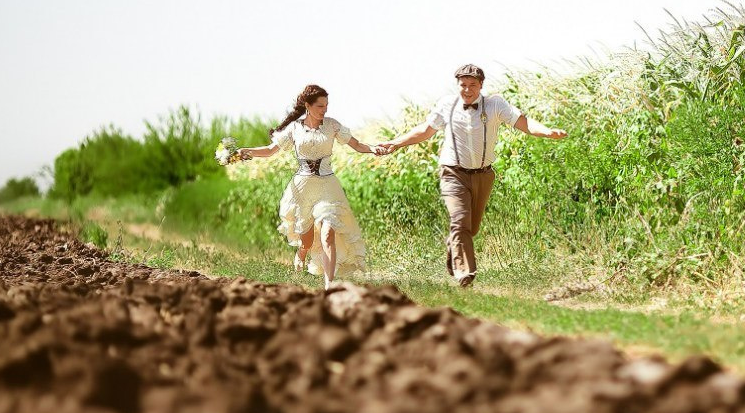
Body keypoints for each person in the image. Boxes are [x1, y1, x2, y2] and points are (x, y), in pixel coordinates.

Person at [375, 64, 567, 287]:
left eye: (472, 85)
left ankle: (453, 245)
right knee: (459, 221)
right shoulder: (447, 104)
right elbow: (425, 130)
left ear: (481, 86)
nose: (467, 90)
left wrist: (547, 132)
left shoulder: (495, 104)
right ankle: (465, 272)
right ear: (457, 84)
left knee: (471, 228)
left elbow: (523, 122)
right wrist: (395, 143)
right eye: (463, 85)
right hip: (452, 173)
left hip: (483, 175)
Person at [238, 84, 376, 289]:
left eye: (327, 105)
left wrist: (375, 149)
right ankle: (301, 253)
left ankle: (329, 285)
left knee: (328, 231)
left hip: (328, 186)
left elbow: (357, 145)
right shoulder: (294, 128)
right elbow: (269, 150)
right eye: (320, 106)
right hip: (302, 188)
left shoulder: (332, 126)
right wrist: (246, 151)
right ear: (307, 105)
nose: (325, 110)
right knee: (307, 241)